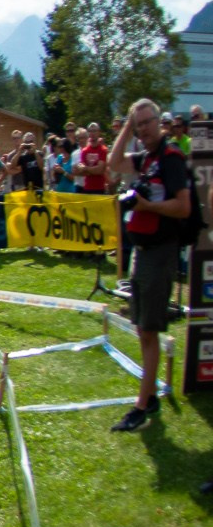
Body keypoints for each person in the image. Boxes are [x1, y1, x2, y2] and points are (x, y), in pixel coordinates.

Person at [106, 99, 194, 433]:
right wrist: (127, 127)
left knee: (150, 330)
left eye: (147, 122)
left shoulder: (171, 159)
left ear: (160, 122)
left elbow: (183, 207)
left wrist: (146, 205)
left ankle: (142, 405)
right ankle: (150, 397)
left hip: (160, 252)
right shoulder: (146, 159)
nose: (143, 128)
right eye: (137, 124)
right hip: (141, 253)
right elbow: (114, 164)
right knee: (143, 328)